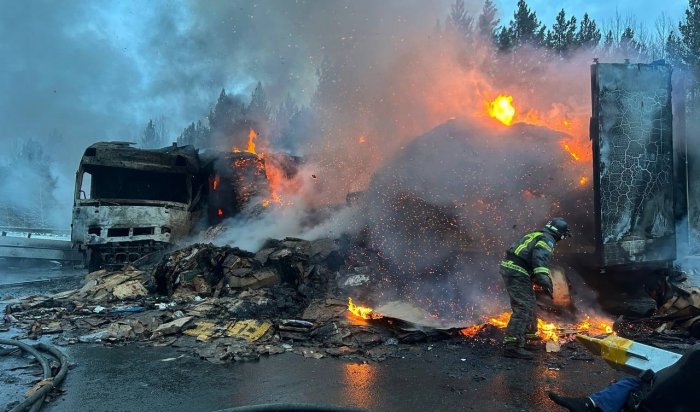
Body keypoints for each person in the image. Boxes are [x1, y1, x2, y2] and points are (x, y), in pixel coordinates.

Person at [501, 217, 570, 359]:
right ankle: (512, 345)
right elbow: (539, 260)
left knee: (530, 303)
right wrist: (544, 281)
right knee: (524, 306)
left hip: (515, 269)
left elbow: (528, 257)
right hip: (516, 271)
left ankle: (529, 337)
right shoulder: (547, 240)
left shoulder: (537, 234)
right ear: (560, 234)